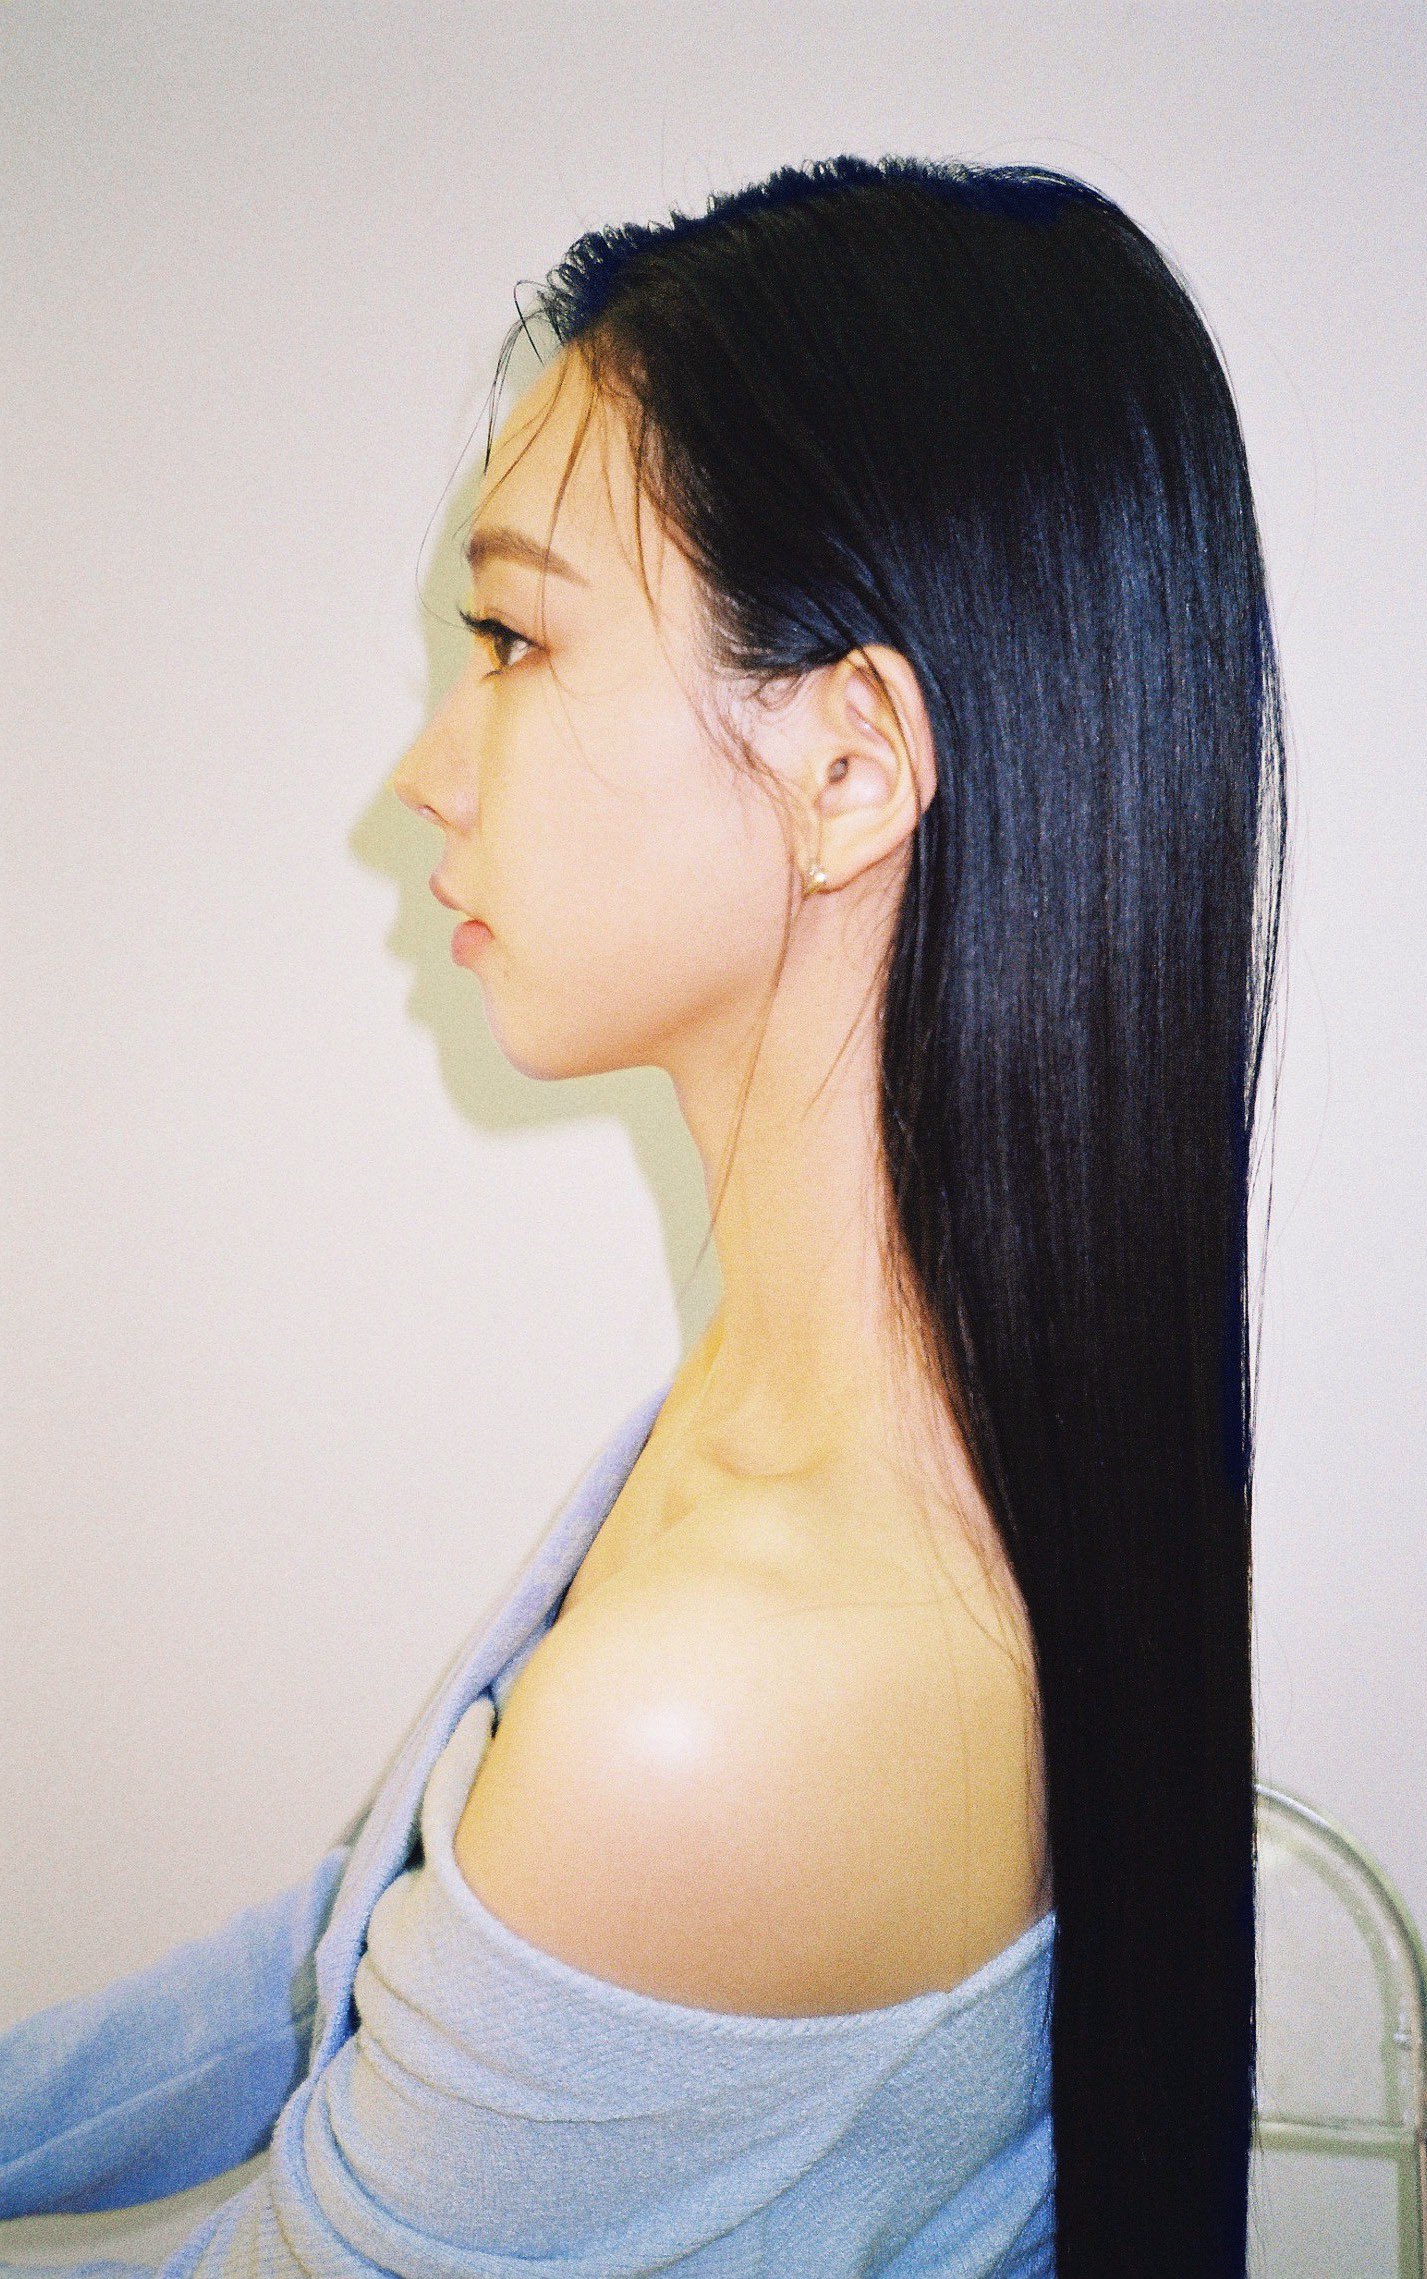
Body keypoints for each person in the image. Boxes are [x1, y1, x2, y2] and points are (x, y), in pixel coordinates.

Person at [0, 155, 1287, 2278]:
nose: (424, 771)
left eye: (514, 637)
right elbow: (344, 1964)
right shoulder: (807, 1426)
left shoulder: (722, 1711)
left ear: (848, 769)